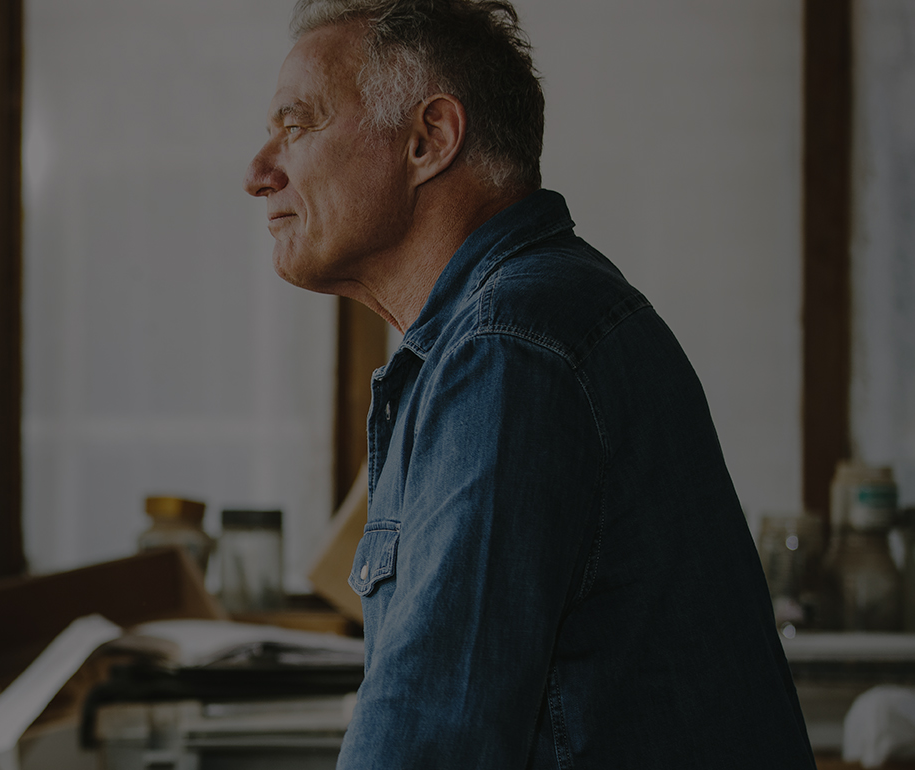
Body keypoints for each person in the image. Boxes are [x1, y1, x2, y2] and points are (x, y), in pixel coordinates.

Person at [244, 1, 816, 766]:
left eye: (297, 124)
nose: (257, 172)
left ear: (428, 139)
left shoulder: (510, 350)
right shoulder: (520, 323)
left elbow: (427, 743)